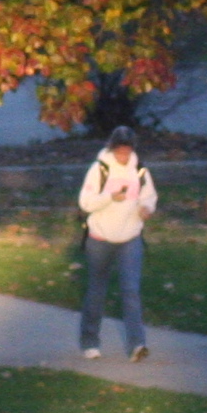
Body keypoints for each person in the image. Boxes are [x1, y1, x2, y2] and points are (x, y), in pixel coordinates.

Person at [76, 124, 156, 360]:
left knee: (131, 290)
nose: (123, 156)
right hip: (100, 239)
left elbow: (149, 196)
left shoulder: (140, 171)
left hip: (130, 238)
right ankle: (90, 342)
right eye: (119, 151)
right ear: (112, 149)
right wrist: (110, 197)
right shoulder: (99, 169)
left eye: (127, 151)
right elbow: (86, 203)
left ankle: (137, 344)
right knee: (96, 291)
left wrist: (146, 208)